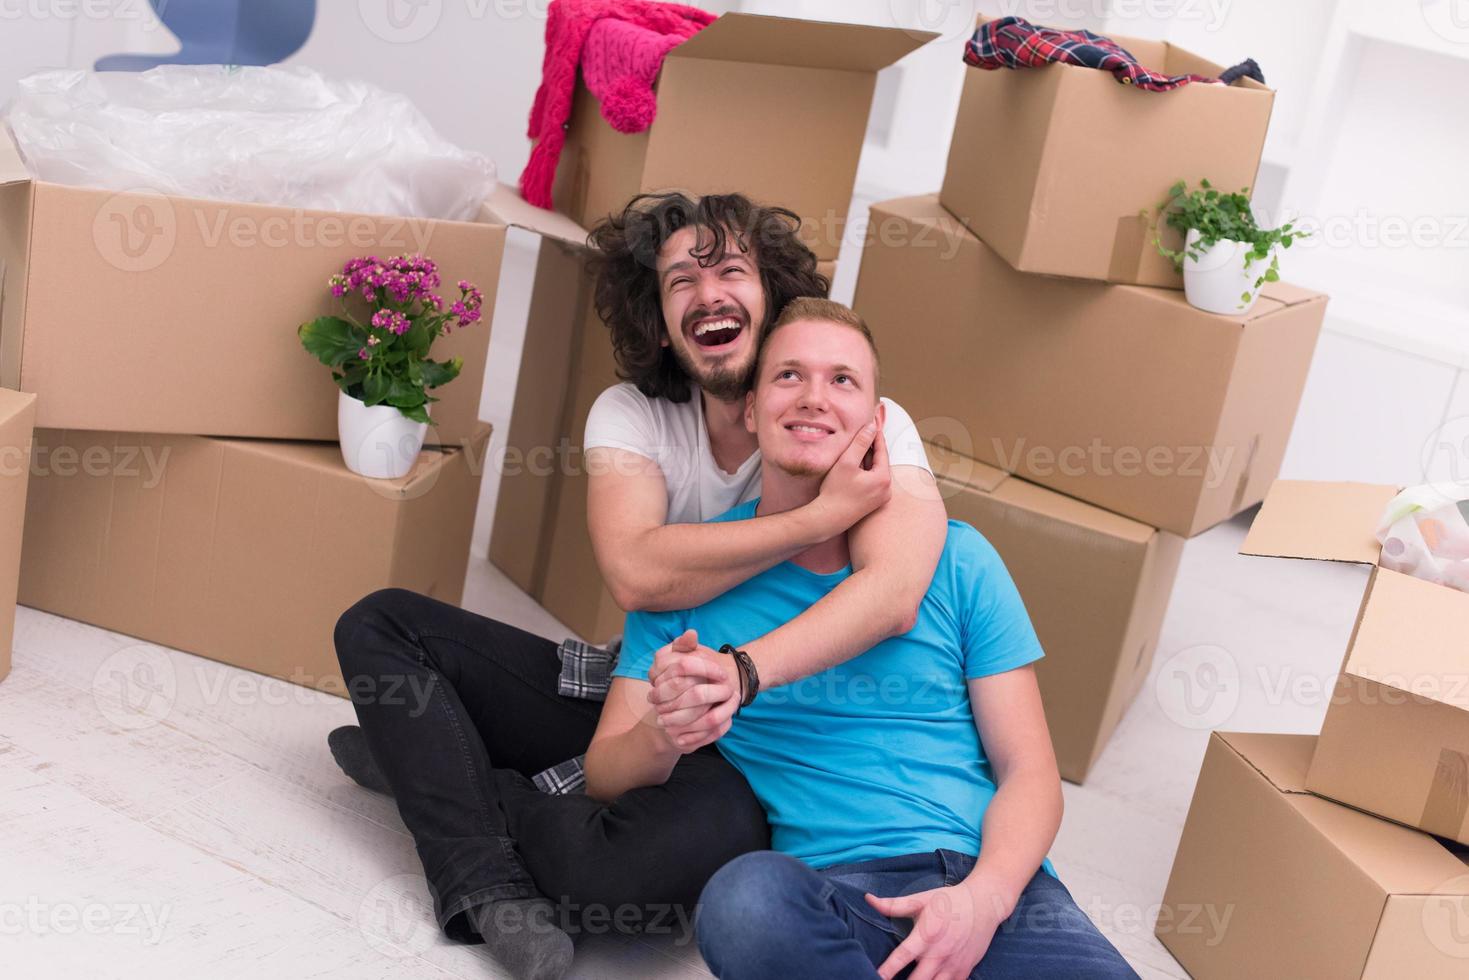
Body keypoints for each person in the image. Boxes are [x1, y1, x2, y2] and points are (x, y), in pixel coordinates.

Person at [330, 192, 949, 979]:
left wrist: (742, 673)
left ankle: (442, 775)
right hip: (638, 686)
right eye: (679, 282)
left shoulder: (856, 413)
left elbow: (896, 592)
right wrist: (815, 517)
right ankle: (484, 879)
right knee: (381, 625)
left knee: (616, 893)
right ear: (659, 322)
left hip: (760, 738)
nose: (708, 292)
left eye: (730, 270)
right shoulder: (630, 414)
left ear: (773, 299)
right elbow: (635, 571)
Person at [590, 298, 1138, 980]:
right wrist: (666, 733)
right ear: (751, 411)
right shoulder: (690, 581)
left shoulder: (957, 561)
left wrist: (983, 900)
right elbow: (604, 771)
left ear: (876, 423)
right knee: (743, 901)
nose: (815, 398)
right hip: (837, 898)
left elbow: (1029, 772)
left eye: (842, 380)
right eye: (788, 376)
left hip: (990, 889)